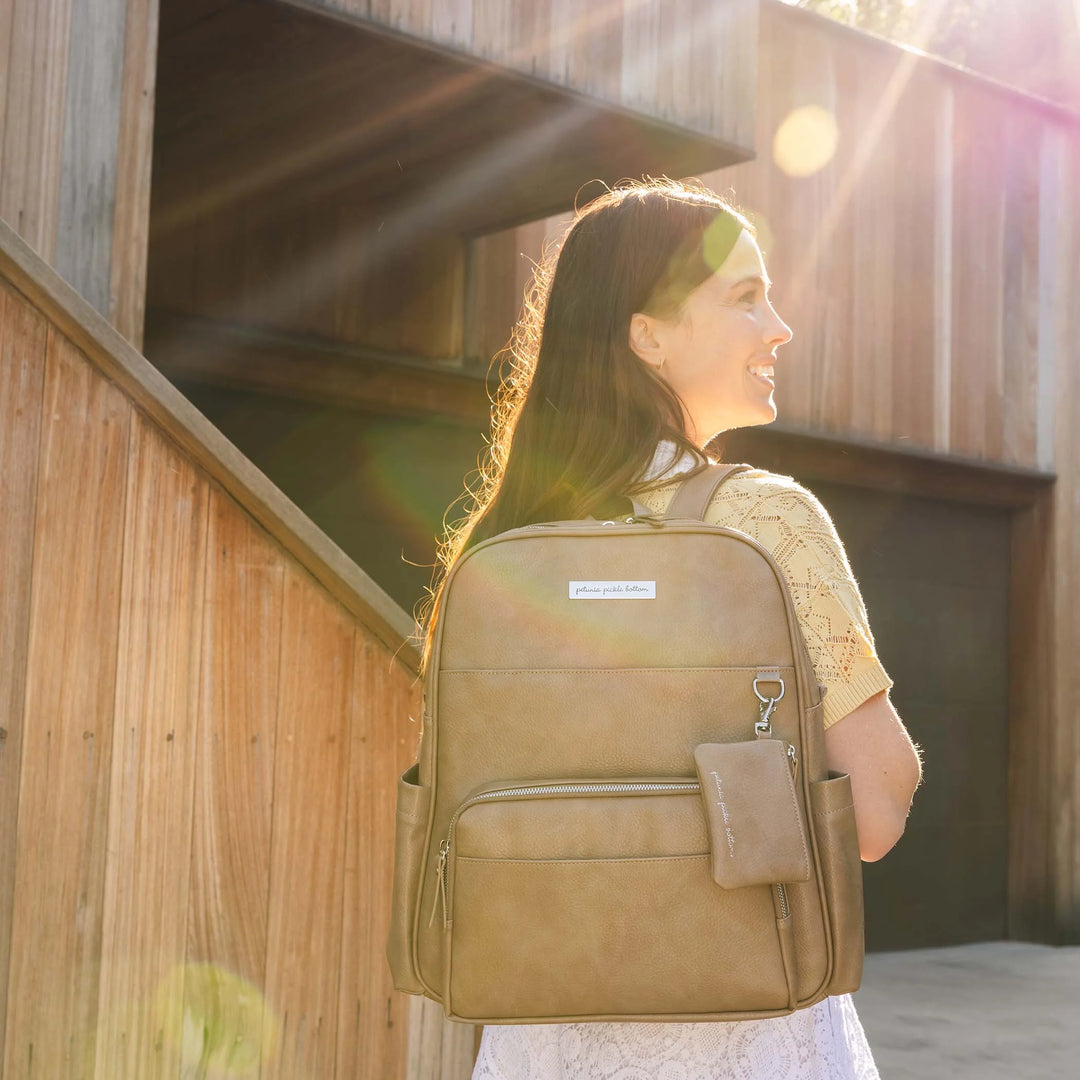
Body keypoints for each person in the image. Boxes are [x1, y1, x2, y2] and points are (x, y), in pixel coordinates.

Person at [419, 177, 923, 1080]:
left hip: (544, 1038)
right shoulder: (765, 523)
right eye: (745, 298)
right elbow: (877, 809)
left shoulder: (503, 549)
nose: (780, 328)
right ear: (645, 336)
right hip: (748, 1033)